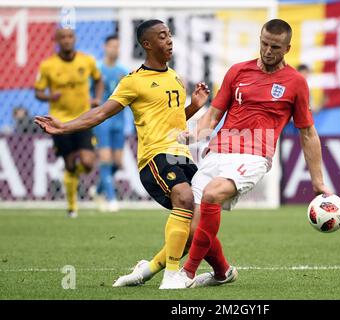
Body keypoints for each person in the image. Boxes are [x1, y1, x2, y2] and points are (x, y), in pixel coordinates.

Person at [34, 19, 210, 289]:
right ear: (147, 44)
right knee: (184, 198)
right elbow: (101, 112)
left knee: (196, 230)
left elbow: (176, 123)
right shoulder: (133, 81)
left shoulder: (175, 77)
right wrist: (64, 127)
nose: (170, 40)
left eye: (170, 35)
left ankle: (146, 270)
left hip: (182, 156)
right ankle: (172, 277)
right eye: (162, 36)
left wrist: (194, 107)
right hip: (155, 157)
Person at [162, 19, 331, 289]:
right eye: (264, 43)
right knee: (192, 231)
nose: (267, 50)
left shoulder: (296, 83)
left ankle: (186, 274)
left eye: (275, 46)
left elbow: (308, 133)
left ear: (287, 48)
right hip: (218, 151)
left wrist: (318, 181)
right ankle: (222, 273)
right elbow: (214, 113)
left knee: (213, 194)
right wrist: (196, 134)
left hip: (254, 155)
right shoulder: (238, 71)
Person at [34, 28, 104, 218]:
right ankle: (72, 207)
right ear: (56, 40)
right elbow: (38, 92)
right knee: (70, 163)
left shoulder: (86, 61)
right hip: (59, 122)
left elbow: (98, 80)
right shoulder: (47, 66)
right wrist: (49, 96)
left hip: (83, 119)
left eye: (70, 36)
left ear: (74, 39)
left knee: (88, 163)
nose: (66, 40)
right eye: (62, 37)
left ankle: (73, 180)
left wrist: (97, 98)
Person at [92, 35, 129, 213]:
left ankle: (98, 189)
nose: (115, 49)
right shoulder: (96, 69)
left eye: (118, 46)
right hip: (102, 120)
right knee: (105, 158)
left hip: (119, 120)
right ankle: (111, 198)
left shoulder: (123, 70)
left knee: (117, 162)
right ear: (105, 47)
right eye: (112, 46)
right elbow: (89, 92)